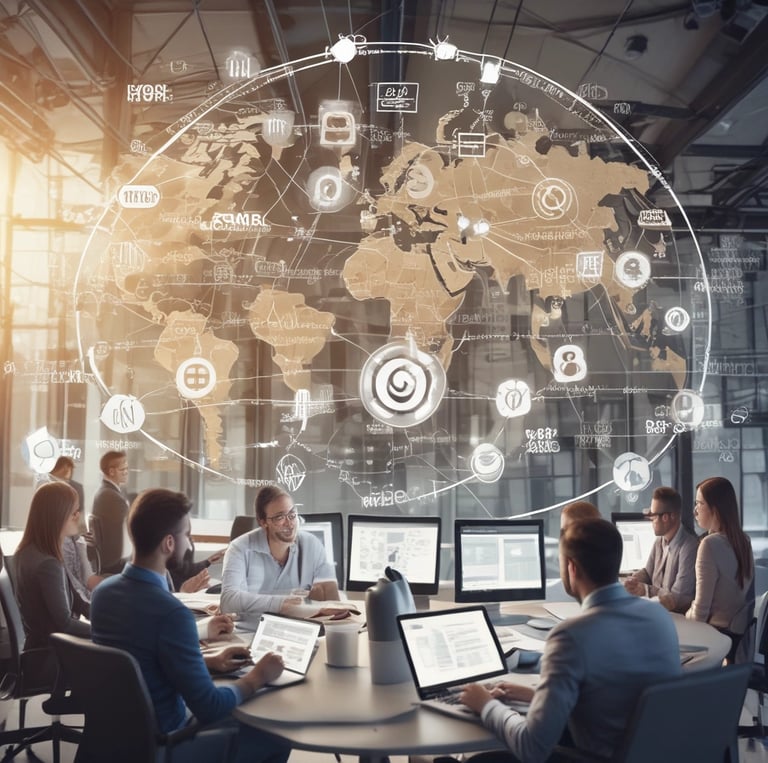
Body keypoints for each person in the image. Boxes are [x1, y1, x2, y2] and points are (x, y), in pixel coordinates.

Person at [90, 488, 290, 763]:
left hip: (118, 739)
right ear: (169, 543)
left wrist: (206, 661)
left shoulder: (103, 594)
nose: (190, 542)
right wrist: (258, 676)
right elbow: (209, 707)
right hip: (166, 743)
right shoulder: (172, 614)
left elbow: (141, 664)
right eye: (187, 534)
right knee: (275, 736)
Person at [460, 518, 681, 763]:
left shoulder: (571, 636)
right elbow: (611, 700)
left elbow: (532, 748)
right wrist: (531, 694)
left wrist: (486, 705)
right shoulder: (658, 616)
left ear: (571, 568)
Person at [220, 485, 339, 623]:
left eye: (292, 514)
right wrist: (280, 604)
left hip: (300, 630)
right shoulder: (239, 548)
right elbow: (228, 601)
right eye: (279, 517)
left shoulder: (312, 544)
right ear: (263, 522)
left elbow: (333, 601)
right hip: (251, 632)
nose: (289, 524)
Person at [14, 482, 91, 683]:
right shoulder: (48, 563)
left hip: (40, 652)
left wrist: (104, 617)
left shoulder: (29, 552)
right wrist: (105, 631)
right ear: (57, 515)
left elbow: (76, 601)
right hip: (51, 659)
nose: (78, 516)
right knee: (121, 665)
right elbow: (64, 623)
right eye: (74, 511)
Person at [687, 476, 754, 657]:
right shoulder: (743, 540)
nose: (695, 510)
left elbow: (700, 612)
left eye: (699, 503)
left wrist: (685, 617)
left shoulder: (709, 544)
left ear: (715, 509)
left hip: (713, 638)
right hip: (734, 639)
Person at [624, 486, 699, 613]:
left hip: (677, 619)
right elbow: (648, 573)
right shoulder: (660, 541)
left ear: (667, 517)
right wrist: (633, 580)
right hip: (658, 612)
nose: (651, 520)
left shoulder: (689, 547)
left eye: (653, 515)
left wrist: (646, 590)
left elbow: (678, 597)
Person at [91, 450, 130, 573]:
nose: (126, 472)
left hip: (111, 559)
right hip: (116, 562)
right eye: (123, 469)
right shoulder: (110, 496)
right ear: (111, 471)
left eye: (127, 468)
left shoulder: (106, 492)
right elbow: (132, 525)